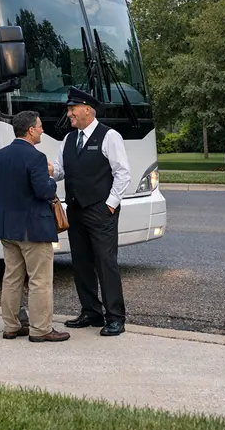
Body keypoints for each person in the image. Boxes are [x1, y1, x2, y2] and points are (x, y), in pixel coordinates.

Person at [51, 86, 131, 336]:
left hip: (100, 210)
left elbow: (122, 173)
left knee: (106, 263)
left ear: (87, 109)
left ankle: (115, 317)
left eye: (72, 108)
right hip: (75, 210)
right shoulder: (68, 139)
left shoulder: (109, 136)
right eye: (69, 109)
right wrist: (43, 167)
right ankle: (90, 311)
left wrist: (110, 204)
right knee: (81, 262)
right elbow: (61, 170)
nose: (69, 113)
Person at [0, 111, 70, 342]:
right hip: (34, 229)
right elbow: (44, 191)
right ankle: (41, 329)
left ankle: (11, 326)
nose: (42, 130)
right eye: (40, 127)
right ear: (31, 130)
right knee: (39, 280)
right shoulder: (36, 158)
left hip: (7, 229)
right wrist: (51, 180)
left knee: (11, 278)